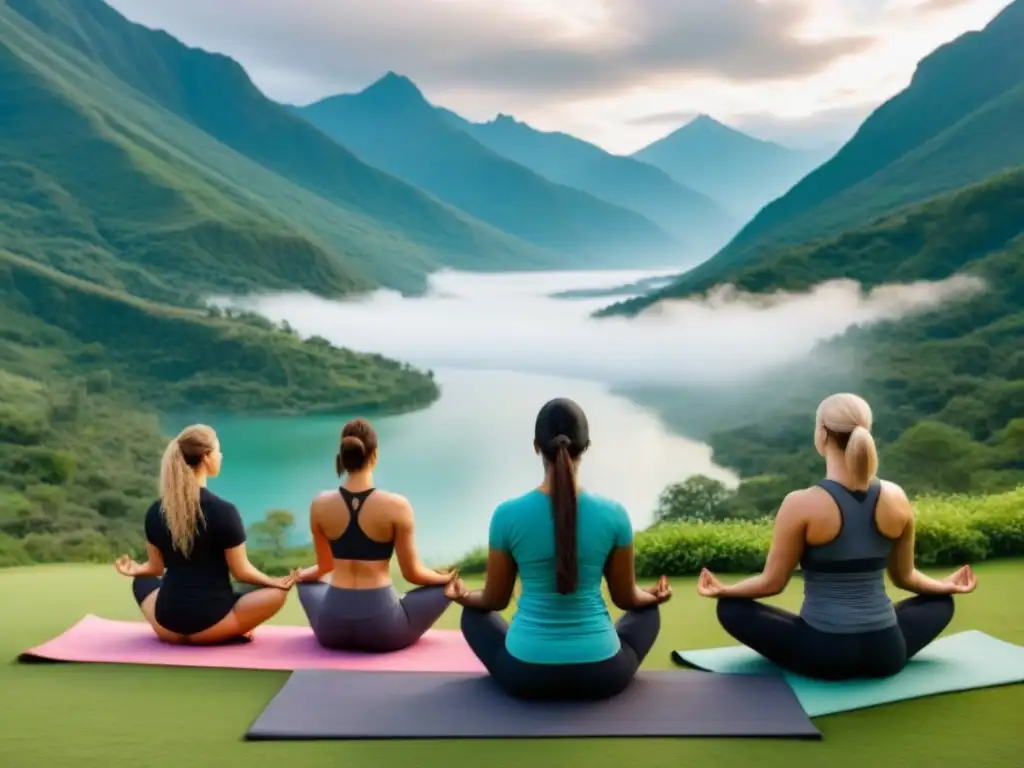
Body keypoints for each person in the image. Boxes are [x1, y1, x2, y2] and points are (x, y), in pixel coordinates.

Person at [697, 392, 977, 681]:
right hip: (886, 652)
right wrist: (945, 586)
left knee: (731, 608)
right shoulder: (897, 497)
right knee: (940, 602)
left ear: (821, 434)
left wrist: (724, 590)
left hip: (823, 655)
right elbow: (906, 578)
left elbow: (772, 583)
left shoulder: (800, 503)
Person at [445, 397, 671, 701]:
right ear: (586, 446)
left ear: (537, 446)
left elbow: (494, 600)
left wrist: (463, 597)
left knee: (473, 616)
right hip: (603, 674)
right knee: (647, 612)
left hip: (525, 675)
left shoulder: (507, 515)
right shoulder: (614, 514)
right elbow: (626, 598)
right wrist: (652, 596)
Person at [113, 424, 297, 645]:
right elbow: (241, 572)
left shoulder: (155, 511)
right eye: (218, 451)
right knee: (275, 594)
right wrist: (274, 582)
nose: (221, 455)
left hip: (167, 625)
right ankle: (229, 631)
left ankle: (208, 631)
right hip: (211, 624)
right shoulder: (224, 511)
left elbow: (155, 569)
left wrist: (136, 569)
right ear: (207, 457)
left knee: (142, 582)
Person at [295, 417, 454, 652]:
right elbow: (413, 574)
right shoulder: (396, 506)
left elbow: (324, 566)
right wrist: (446, 578)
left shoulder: (319, 504)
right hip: (383, 628)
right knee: (448, 587)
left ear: (343, 456)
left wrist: (301, 575)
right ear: (375, 455)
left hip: (331, 628)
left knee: (306, 584)